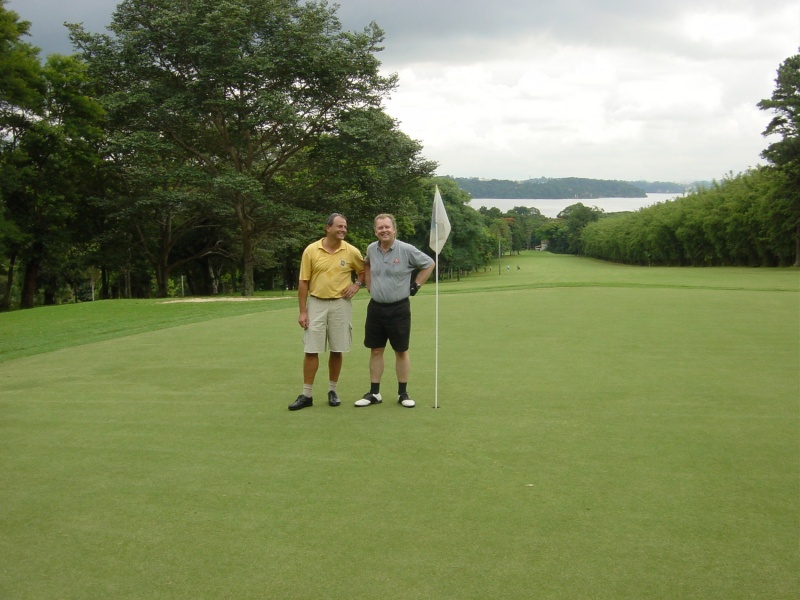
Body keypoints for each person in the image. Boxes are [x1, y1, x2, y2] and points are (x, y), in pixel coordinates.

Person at [355, 213, 435, 408]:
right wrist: (369, 284)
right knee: (376, 350)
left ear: (394, 229)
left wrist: (416, 285)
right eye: (380, 228)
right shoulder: (371, 249)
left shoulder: (406, 249)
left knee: (401, 351)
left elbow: (429, 264)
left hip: (399, 308)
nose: (384, 230)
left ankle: (402, 393)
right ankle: (374, 393)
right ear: (375, 231)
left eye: (387, 227)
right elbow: (367, 263)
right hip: (376, 308)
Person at [289, 213, 365, 411]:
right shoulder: (311, 250)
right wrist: (303, 312)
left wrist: (356, 285)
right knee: (311, 349)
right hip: (316, 303)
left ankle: (332, 390)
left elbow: (364, 271)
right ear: (328, 227)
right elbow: (303, 282)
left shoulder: (351, 251)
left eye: (345, 227)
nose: (343, 230)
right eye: (339, 226)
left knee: (337, 349)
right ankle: (306, 394)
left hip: (341, 304)